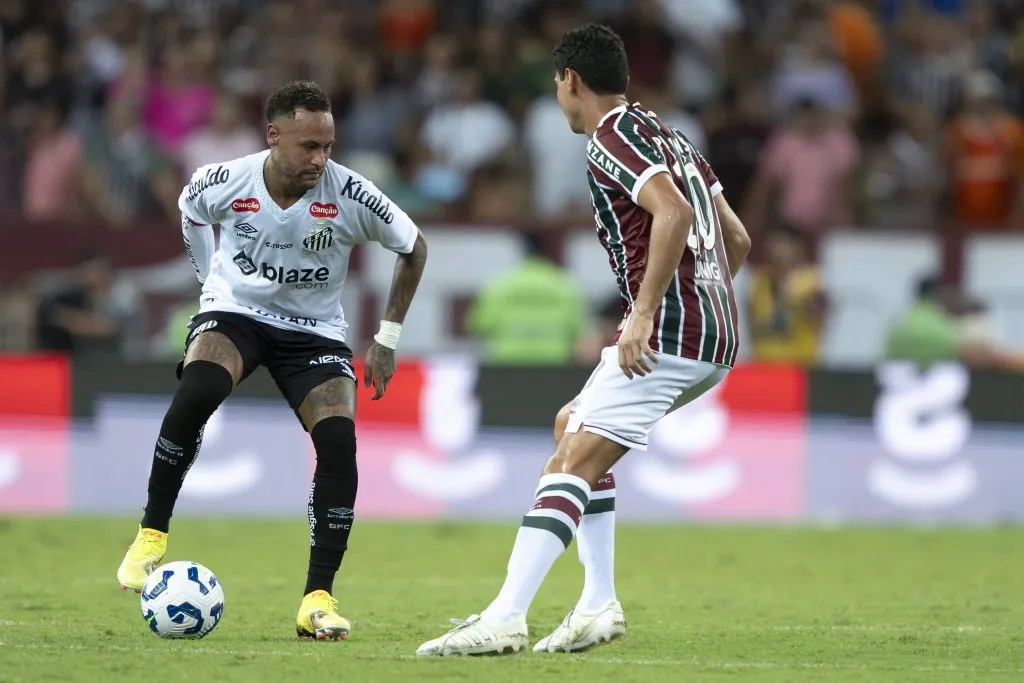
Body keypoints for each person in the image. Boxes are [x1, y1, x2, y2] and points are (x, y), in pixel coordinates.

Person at [416, 24, 751, 657]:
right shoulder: (670, 134)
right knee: (572, 425)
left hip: (671, 333)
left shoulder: (613, 137)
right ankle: (597, 603)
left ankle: (506, 616)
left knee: (568, 464)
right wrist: (699, 303)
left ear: (570, 81)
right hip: (714, 335)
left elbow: (673, 214)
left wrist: (649, 311)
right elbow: (737, 240)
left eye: (556, 87)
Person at [115, 81, 429, 641]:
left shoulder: (351, 194)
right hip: (237, 313)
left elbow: (414, 246)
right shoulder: (226, 180)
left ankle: (317, 599)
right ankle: (150, 537)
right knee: (198, 391)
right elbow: (190, 210)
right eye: (309, 146)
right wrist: (209, 284)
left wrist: (386, 337)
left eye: (328, 146)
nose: (321, 158)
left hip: (314, 334)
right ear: (274, 135)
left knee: (338, 444)